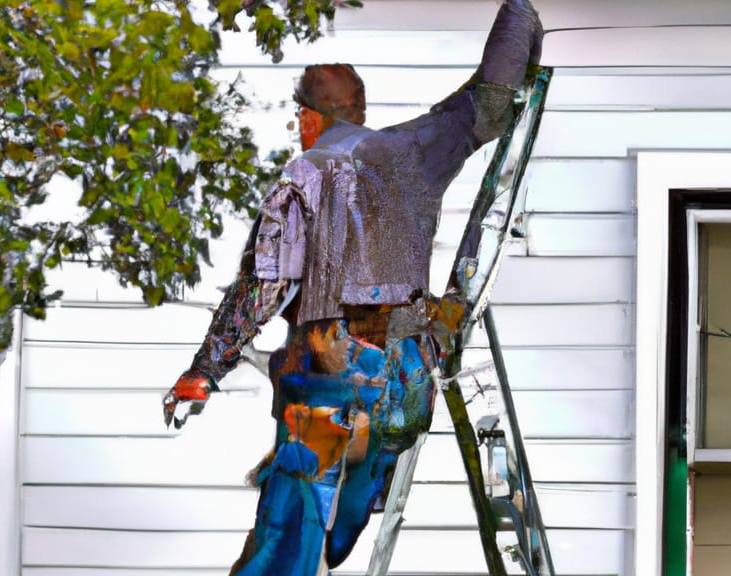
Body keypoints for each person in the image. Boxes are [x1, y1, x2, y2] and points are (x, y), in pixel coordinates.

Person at [161, 1, 543, 574]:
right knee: (337, 542)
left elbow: (262, 285)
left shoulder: (305, 174)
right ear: (360, 108)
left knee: (286, 547)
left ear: (306, 117)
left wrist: (204, 370)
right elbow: (491, 102)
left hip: (330, 387)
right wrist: (524, 17)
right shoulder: (417, 150)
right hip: (406, 387)